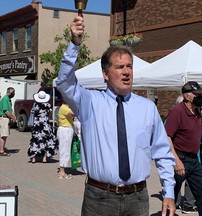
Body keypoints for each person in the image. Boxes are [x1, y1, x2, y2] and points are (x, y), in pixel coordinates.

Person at [56, 16, 176, 216]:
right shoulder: (90, 103)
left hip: (138, 199)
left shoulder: (147, 108)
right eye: (120, 67)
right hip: (100, 198)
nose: (126, 72)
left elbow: (162, 152)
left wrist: (169, 193)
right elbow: (65, 83)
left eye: (129, 66)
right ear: (105, 74)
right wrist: (75, 44)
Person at [165, 81, 202, 216]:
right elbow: (167, 137)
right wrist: (176, 160)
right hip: (180, 158)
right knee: (172, 197)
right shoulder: (177, 111)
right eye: (196, 94)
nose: (199, 97)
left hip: (194, 160)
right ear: (187, 96)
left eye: (200, 94)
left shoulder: (197, 111)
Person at [28, 91, 58, 163]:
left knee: (35, 140)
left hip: (37, 125)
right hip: (45, 125)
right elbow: (50, 114)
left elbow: (32, 113)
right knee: (46, 140)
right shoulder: (48, 105)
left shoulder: (35, 105)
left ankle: (33, 158)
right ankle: (44, 158)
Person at [56, 102, 74, 179]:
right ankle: (62, 172)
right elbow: (73, 113)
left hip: (66, 129)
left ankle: (62, 170)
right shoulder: (64, 107)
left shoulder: (65, 107)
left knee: (65, 149)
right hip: (65, 130)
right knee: (64, 149)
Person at [0, 87, 17, 156]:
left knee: (5, 135)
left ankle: (2, 148)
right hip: (4, 119)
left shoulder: (9, 100)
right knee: (3, 135)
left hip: (7, 119)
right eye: (13, 92)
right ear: (9, 92)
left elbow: (11, 110)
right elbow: (6, 111)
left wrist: (14, 116)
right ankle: (1, 151)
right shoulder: (5, 99)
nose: (13, 94)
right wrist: (13, 117)